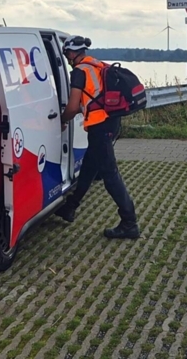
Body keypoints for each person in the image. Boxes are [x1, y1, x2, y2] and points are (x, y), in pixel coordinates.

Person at [55, 35, 140, 239]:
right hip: (111, 121)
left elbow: (74, 106)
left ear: (73, 53)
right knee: (89, 167)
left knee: (110, 174)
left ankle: (129, 223)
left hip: (99, 126)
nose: (67, 58)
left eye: (67, 54)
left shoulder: (79, 72)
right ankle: (70, 207)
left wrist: (62, 120)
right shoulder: (97, 65)